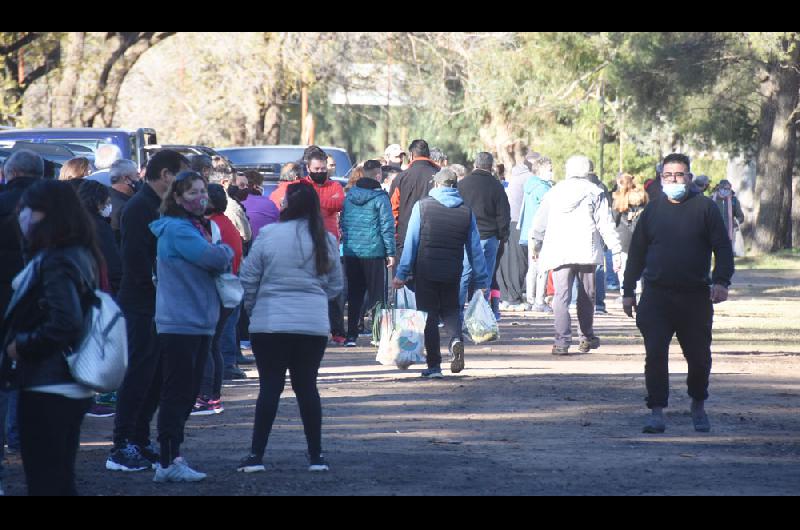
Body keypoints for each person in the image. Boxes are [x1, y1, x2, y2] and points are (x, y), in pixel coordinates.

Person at [0, 179, 103, 495]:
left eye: (26, 210)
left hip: (49, 381)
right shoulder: (79, 253)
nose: (21, 217)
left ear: (45, 214)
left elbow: (65, 320)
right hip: (66, 381)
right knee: (58, 475)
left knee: (46, 478)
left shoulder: (57, 259)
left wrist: (21, 347)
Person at [622, 153, 734, 434]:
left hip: (695, 296)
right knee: (655, 354)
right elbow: (636, 253)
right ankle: (656, 411)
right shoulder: (652, 210)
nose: (674, 179)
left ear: (689, 177)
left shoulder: (706, 208)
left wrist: (721, 281)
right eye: (668, 175)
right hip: (656, 296)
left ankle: (698, 404)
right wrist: (627, 290)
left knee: (698, 357)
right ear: (661, 178)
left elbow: (722, 248)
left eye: (680, 174)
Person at [237, 181, 343, 473]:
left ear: (286, 205)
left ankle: (256, 456)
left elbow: (249, 277)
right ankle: (316, 456)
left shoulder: (269, 235)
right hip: (311, 325)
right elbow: (335, 285)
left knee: (269, 388)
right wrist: (316, 298)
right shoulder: (325, 239)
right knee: (307, 387)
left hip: (269, 323)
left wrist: (253, 308)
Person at [107, 149, 190, 473]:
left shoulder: (160, 206)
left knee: (155, 376)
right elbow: (136, 259)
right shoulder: (140, 207)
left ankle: (139, 439)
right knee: (139, 374)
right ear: (167, 175)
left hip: (159, 302)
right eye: (181, 176)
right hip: (142, 303)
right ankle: (121, 445)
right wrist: (155, 287)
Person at [149, 171, 233, 482]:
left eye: (202, 191)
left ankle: (172, 457)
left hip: (196, 321)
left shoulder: (192, 227)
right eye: (193, 192)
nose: (200, 197)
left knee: (185, 393)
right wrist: (225, 252)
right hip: (181, 323)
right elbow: (213, 258)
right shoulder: (178, 230)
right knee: (178, 393)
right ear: (177, 197)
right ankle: (169, 460)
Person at [393, 167, 489, 378]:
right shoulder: (466, 211)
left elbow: (411, 242)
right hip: (453, 269)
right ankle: (455, 340)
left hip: (425, 270)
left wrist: (402, 273)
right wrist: (482, 279)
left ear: (436, 184)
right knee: (451, 310)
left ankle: (434, 366)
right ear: (454, 186)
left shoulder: (423, 207)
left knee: (429, 316)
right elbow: (475, 249)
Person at [531, 155, 622, 355]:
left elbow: (539, 224)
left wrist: (536, 245)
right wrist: (615, 249)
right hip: (586, 250)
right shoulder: (595, 192)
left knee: (561, 296)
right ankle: (586, 337)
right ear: (586, 171)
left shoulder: (553, 192)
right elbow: (605, 224)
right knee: (587, 295)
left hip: (559, 250)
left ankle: (561, 342)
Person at [0, 150, 44, 496]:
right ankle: (27, 442)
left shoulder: (3, 203)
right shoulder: (56, 208)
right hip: (39, 302)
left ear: (9, 172)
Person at [193, 184, 243, 415]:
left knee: (208, 344)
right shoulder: (225, 223)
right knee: (213, 345)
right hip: (225, 289)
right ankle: (212, 395)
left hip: (218, 290)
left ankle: (207, 395)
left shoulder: (215, 226)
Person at [341, 160, 395, 346]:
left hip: (352, 251)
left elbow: (343, 224)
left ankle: (351, 336)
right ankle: (378, 335)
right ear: (378, 175)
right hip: (374, 251)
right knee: (377, 294)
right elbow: (387, 226)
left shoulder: (349, 196)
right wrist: (391, 252)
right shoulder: (381, 197)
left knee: (355, 293)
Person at [457, 152, 511, 314]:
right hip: (489, 236)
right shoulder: (496, 186)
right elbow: (503, 214)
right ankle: (480, 313)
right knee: (485, 276)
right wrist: (503, 235)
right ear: (491, 166)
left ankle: (457, 310)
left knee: (464, 274)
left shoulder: (463, 184)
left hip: (466, 235)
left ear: (475, 164)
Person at [303, 150, 346, 344]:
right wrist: (323, 204)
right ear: (308, 169)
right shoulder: (301, 186)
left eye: (323, 168)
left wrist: (313, 201)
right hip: (306, 242)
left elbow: (338, 203)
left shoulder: (335, 185)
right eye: (316, 169)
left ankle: (338, 331)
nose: (321, 172)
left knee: (335, 286)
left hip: (330, 243)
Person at [389, 139, 440, 266]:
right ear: (428, 155)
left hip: (405, 238)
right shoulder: (440, 177)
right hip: (434, 237)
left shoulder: (401, 178)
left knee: (403, 279)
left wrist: (393, 237)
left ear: (411, 155)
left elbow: (392, 210)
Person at [496, 153, 536, 311]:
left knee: (510, 261)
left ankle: (507, 296)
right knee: (519, 262)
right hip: (520, 222)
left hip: (511, 220)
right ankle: (514, 297)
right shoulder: (529, 178)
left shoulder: (517, 176)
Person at [517, 153, 553, 313]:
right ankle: (539, 300)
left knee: (533, 267)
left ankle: (531, 298)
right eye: (550, 170)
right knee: (543, 267)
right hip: (541, 232)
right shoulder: (544, 188)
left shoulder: (529, 186)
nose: (552, 173)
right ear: (542, 170)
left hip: (528, 231)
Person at [612, 174, 648, 300]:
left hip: (623, 238)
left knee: (623, 268)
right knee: (638, 265)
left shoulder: (618, 200)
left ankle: (626, 293)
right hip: (640, 237)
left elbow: (614, 220)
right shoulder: (643, 198)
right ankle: (639, 291)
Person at [108, 159, 142, 246]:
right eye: (137, 176)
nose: (139, 180)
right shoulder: (126, 206)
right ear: (126, 179)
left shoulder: (105, 197)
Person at [711, 179, 745, 245]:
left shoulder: (734, 200)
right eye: (724, 188)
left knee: (726, 254)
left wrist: (736, 221)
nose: (726, 190)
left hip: (728, 234)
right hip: (713, 233)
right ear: (719, 188)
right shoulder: (711, 199)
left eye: (728, 188)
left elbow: (741, 216)